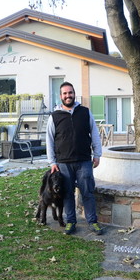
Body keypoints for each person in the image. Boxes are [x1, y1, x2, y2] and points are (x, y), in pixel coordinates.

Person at [46, 82, 102, 235]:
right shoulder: (55, 116)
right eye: (64, 93)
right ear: (60, 96)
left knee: (88, 192)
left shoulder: (85, 112)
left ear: (74, 94)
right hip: (63, 163)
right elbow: (49, 140)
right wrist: (52, 162)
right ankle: (71, 221)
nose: (68, 96)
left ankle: (93, 222)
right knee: (67, 193)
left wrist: (97, 154)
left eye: (70, 93)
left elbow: (95, 134)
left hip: (84, 160)